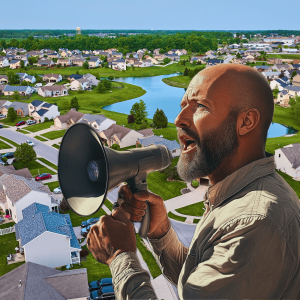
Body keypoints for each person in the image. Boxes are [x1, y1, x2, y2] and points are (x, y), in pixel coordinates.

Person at [87, 64, 300, 299]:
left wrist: (120, 256)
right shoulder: (236, 195)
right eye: (182, 107)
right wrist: (161, 233)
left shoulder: (255, 222)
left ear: (246, 122)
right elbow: (196, 286)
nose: (178, 119)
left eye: (200, 106)